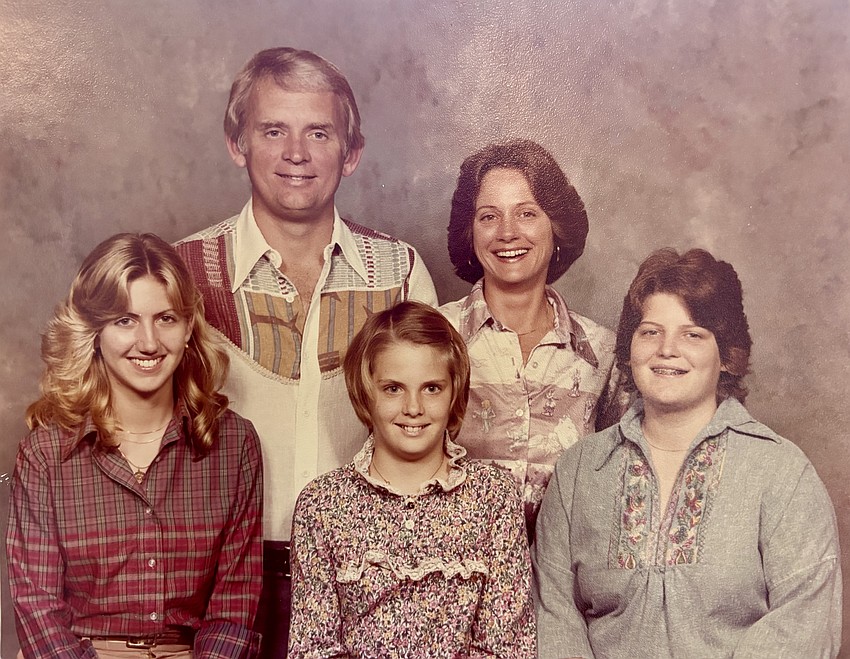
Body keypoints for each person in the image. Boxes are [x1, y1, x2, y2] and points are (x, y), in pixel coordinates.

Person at [174, 48, 437, 655]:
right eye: (273, 130)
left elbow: (435, 430)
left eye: (319, 132)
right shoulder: (182, 273)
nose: (296, 153)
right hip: (219, 584)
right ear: (237, 143)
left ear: (351, 153)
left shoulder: (398, 271)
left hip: (373, 576)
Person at [533, 248, 842, 658]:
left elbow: (805, 618)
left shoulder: (781, 472)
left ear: (727, 355)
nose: (666, 349)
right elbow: (553, 612)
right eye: (650, 331)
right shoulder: (579, 472)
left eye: (692, 334)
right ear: (629, 348)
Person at [7, 233, 263, 658]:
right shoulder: (46, 454)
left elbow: (233, 609)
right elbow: (38, 611)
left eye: (165, 318)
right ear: (94, 332)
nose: (148, 342)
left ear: (188, 330)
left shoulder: (234, 446)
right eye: (124, 320)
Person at [288, 301, 535, 658]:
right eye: (393, 388)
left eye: (432, 388)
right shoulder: (324, 504)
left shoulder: (493, 496)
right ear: (364, 392)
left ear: (455, 390)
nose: (414, 408)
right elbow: (314, 647)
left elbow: (507, 647)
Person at [439, 139, 629, 537]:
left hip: (570, 585)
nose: (507, 233)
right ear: (470, 232)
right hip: (455, 581)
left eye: (527, 213)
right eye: (489, 217)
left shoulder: (605, 353)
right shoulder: (434, 338)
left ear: (556, 226)